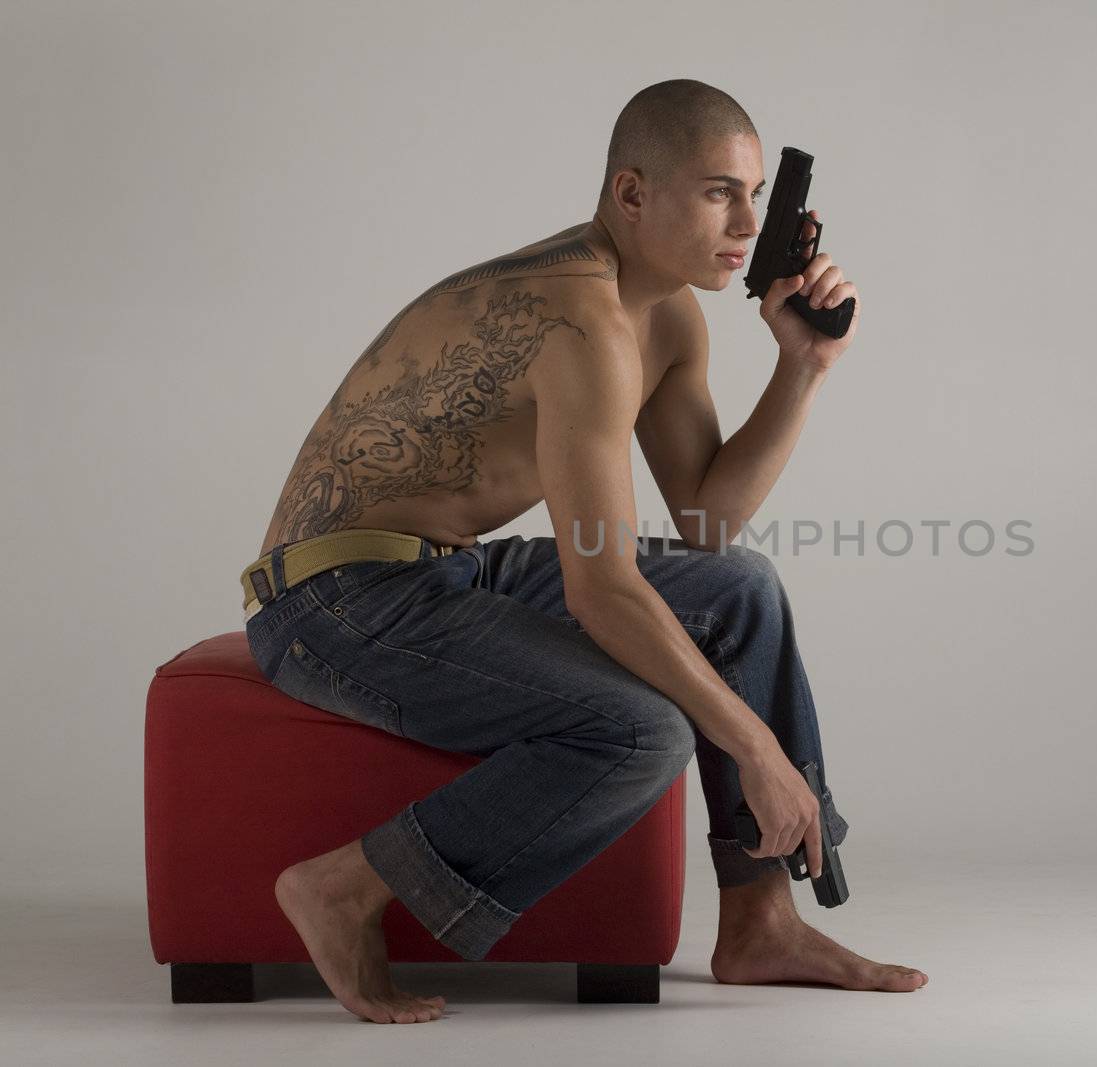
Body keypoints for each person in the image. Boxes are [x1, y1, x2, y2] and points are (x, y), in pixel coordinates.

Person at [240, 78, 926, 1024]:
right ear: (632, 194)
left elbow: (708, 525)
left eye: (758, 195)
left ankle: (761, 922)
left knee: (739, 590)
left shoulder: (667, 316)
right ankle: (346, 886)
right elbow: (602, 591)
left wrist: (801, 369)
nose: (747, 221)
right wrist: (756, 745)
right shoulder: (581, 319)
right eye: (720, 190)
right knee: (646, 729)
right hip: (329, 604)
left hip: (444, 570)